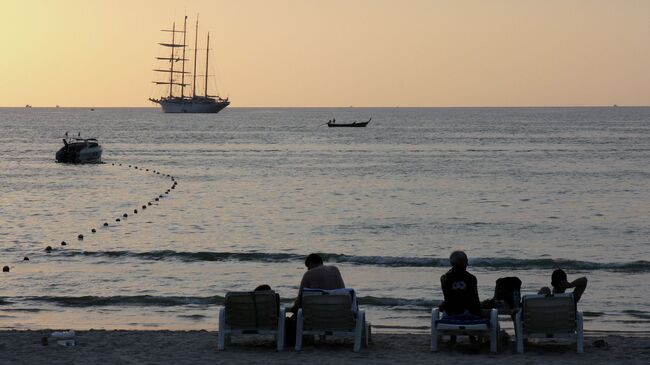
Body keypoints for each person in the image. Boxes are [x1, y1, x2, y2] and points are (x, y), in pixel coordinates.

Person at [285, 253, 346, 345]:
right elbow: (343, 292)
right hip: (339, 317)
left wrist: (292, 309)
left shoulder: (309, 274)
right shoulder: (335, 270)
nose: (308, 269)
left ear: (311, 263)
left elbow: (299, 301)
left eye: (308, 267)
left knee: (291, 319)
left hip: (315, 319)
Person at [439, 251, 481, 317]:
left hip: (450, 312)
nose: (467, 263)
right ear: (463, 262)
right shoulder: (471, 278)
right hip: (467, 312)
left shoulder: (444, 278)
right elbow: (475, 299)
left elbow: (448, 297)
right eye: (466, 260)